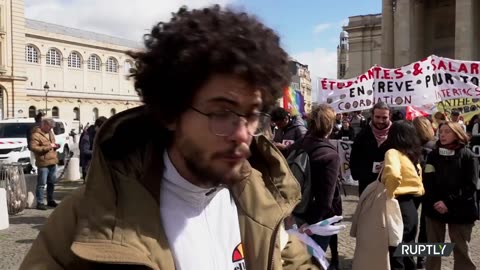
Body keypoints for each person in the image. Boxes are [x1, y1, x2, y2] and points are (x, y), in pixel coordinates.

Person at [21, 5, 321, 269]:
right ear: (170, 112)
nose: (242, 134)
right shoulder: (84, 220)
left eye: (252, 114)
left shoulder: (265, 204)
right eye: (221, 112)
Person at [423, 122, 479, 270]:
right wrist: (437, 202)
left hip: (461, 210)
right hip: (434, 208)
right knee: (433, 249)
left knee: (461, 250)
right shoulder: (433, 155)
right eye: (441, 131)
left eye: (447, 132)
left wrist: (448, 202)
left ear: (457, 134)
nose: (442, 134)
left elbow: (470, 186)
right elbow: (428, 182)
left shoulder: (469, 157)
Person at [296, 105, 342, 270]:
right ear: (330, 125)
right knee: (314, 263)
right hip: (318, 221)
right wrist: (309, 225)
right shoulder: (330, 155)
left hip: (297, 213)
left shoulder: (299, 144)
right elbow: (325, 200)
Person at [381, 120, 425, 270]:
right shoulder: (412, 155)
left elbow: (393, 174)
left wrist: (390, 194)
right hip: (413, 203)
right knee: (408, 244)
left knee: (396, 243)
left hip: (399, 201)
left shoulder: (392, 152)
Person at [350, 102, 392, 195]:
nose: (380, 121)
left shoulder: (396, 134)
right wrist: (369, 170)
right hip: (367, 186)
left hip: (389, 187)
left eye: (384, 118)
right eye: (377, 117)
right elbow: (354, 161)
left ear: (390, 116)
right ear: (372, 116)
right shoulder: (362, 135)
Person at [412, 116, 437, 270]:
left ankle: (407, 256)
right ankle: (422, 260)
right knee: (425, 227)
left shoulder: (410, 148)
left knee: (410, 225)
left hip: (413, 190)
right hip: (430, 190)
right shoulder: (436, 147)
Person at [29, 118, 59, 210]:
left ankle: (50, 200)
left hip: (53, 161)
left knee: (51, 182)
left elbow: (52, 144)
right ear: (44, 125)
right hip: (43, 162)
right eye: (50, 127)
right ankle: (40, 202)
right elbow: (34, 148)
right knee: (42, 184)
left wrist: (56, 146)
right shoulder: (35, 135)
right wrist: (48, 147)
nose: (51, 129)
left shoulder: (50, 133)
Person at [79, 116, 108, 181]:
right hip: (88, 167)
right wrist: (98, 151)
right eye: (102, 128)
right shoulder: (87, 136)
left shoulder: (98, 135)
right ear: (97, 127)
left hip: (97, 166)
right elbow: (85, 151)